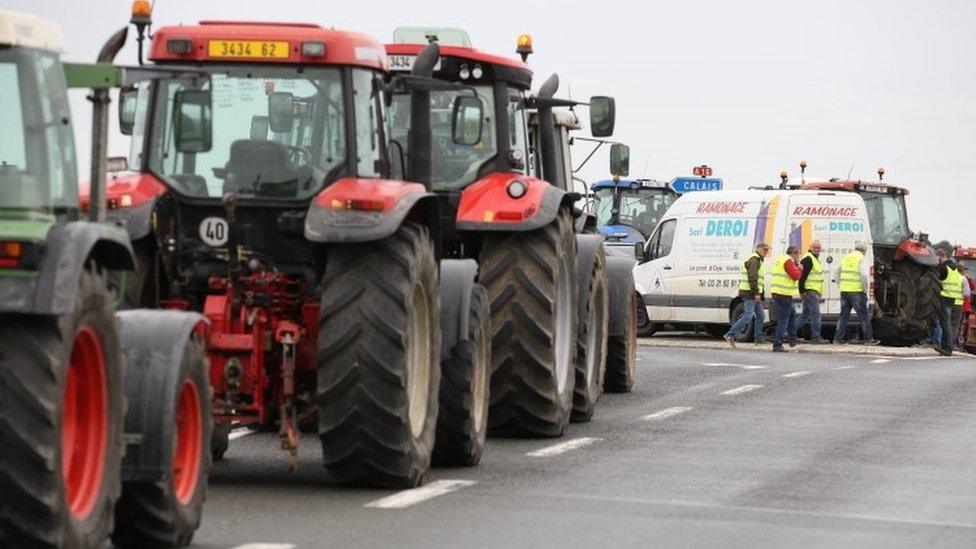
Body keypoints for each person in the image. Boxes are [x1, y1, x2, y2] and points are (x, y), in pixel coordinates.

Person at [724, 243, 770, 348]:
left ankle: (759, 338)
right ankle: (730, 334)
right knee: (748, 315)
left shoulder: (758, 260)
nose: (766, 252)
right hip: (749, 293)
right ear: (758, 249)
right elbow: (753, 278)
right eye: (764, 249)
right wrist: (757, 293)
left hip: (751, 292)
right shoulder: (754, 260)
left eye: (767, 250)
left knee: (761, 315)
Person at [834, 242, 879, 345]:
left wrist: (841, 285)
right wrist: (864, 288)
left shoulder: (846, 257)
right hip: (857, 291)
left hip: (844, 291)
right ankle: (868, 339)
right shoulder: (861, 258)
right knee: (863, 315)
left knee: (843, 316)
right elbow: (863, 275)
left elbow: (836, 274)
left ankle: (837, 340)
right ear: (864, 251)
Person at [771, 246, 803, 352]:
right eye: (798, 254)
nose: (798, 256)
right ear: (793, 253)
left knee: (792, 314)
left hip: (778, 293)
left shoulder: (781, 259)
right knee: (784, 320)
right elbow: (795, 275)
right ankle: (777, 344)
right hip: (783, 294)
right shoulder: (788, 261)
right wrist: (799, 269)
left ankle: (792, 340)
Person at [794, 239, 825, 343]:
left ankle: (788, 332)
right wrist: (802, 291)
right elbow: (802, 277)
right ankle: (816, 337)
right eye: (815, 248)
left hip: (812, 290)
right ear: (810, 247)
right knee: (815, 315)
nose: (817, 250)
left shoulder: (814, 259)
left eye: (819, 248)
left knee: (805, 315)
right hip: (810, 291)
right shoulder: (808, 259)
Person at [933, 255, 963, 356]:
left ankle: (947, 347)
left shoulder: (944, 268)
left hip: (945, 298)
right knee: (948, 324)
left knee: (945, 324)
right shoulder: (955, 271)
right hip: (954, 300)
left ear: (941, 258)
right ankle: (946, 346)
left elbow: (935, 278)